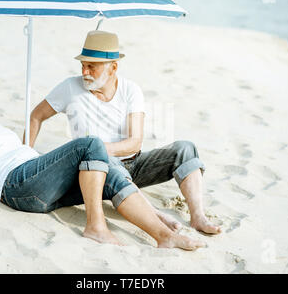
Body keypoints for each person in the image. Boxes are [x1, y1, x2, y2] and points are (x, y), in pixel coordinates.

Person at [0, 70, 205, 250]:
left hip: (37, 181)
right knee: (90, 145)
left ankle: (162, 234)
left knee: (107, 167)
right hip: (16, 186)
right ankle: (95, 227)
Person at [28, 30, 222, 235]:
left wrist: (99, 148)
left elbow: (135, 143)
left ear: (113, 68)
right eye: (83, 65)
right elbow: (35, 116)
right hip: (95, 172)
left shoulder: (130, 90)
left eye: (91, 67)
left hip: (134, 164)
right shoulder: (69, 87)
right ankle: (154, 214)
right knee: (105, 158)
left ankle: (198, 216)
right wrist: (25, 155)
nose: (84, 72)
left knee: (185, 148)